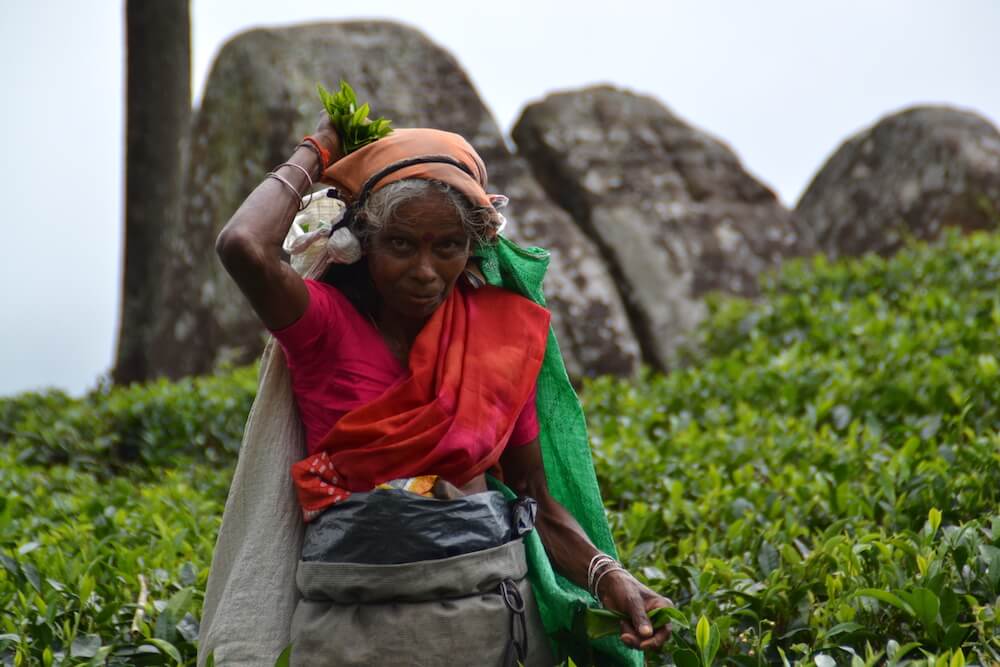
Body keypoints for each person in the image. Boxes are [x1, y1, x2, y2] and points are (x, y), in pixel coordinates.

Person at [208, 111, 672, 666]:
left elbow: (536, 502)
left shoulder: (499, 340)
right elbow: (243, 247)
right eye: (402, 245)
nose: (426, 270)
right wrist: (317, 150)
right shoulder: (324, 328)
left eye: (448, 246)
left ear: (472, 248)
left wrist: (609, 577)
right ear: (362, 244)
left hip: (491, 628)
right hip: (355, 631)